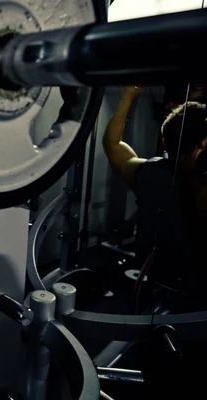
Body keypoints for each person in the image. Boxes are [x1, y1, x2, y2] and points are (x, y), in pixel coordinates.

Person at [102, 85, 207, 311]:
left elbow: (112, 145)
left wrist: (126, 98)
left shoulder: (147, 173)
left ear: (164, 143)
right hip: (195, 299)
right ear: (203, 144)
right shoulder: (200, 189)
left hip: (157, 284)